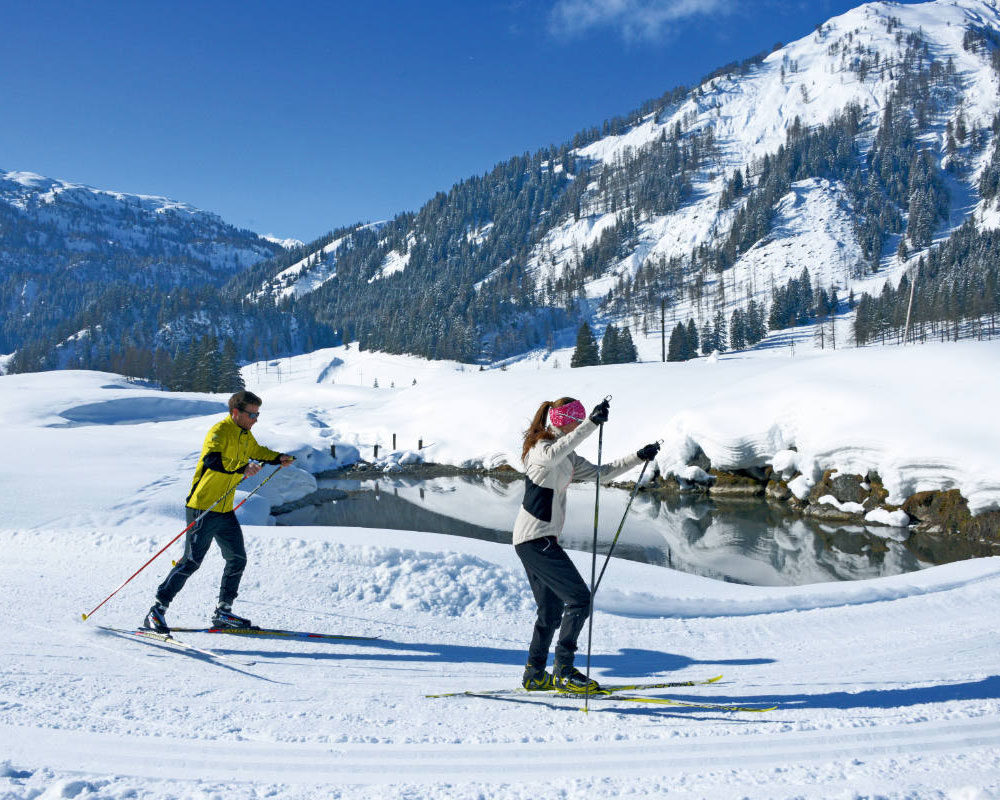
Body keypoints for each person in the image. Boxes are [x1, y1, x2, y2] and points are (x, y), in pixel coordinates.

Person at [513, 396, 660, 693]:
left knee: (550, 611)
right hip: (534, 537)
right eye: (576, 419)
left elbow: (602, 474)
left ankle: (535, 673)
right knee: (580, 598)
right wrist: (592, 424)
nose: (578, 424)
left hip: (537, 539)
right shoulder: (540, 448)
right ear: (560, 419)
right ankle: (564, 671)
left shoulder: (567, 458)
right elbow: (554, 454)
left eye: (582, 420)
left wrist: (638, 457)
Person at [143, 390, 294, 632]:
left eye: (258, 414)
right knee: (191, 561)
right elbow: (212, 460)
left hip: (224, 510)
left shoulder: (245, 435)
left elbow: (259, 451)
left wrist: (279, 458)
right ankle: (156, 611)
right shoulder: (219, 431)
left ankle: (223, 612)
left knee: (237, 558)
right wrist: (241, 467)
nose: (255, 419)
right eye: (252, 414)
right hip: (203, 506)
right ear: (236, 412)